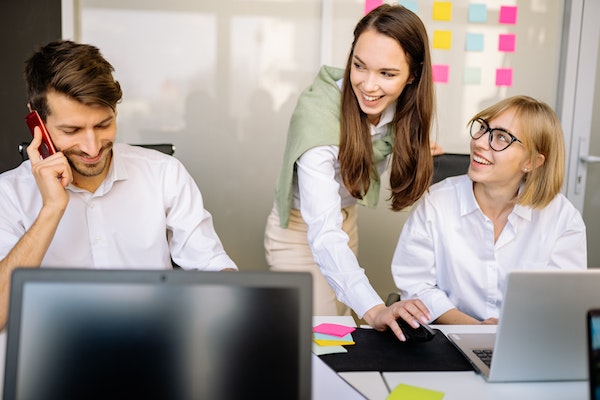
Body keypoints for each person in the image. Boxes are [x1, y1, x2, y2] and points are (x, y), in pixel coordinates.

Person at [0, 40, 237, 328]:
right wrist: (51, 209)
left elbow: (213, 266)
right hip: (53, 351)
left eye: (103, 125)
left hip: (150, 340)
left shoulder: (163, 174)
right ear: (37, 123)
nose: (92, 147)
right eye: (71, 130)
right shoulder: (10, 194)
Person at [264, 4, 434, 341]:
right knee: (327, 342)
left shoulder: (403, 108)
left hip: (346, 225)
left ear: (412, 75)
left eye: (387, 74)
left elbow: (383, 147)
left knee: (342, 328)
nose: (369, 85)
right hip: (301, 233)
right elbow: (324, 233)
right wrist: (374, 310)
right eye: (359, 66)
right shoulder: (318, 116)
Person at [391, 95, 587, 325]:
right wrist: (476, 330)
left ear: (532, 162)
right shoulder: (437, 202)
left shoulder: (562, 218)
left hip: (524, 343)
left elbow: (563, 303)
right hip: (449, 338)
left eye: (502, 137)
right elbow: (417, 286)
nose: (480, 143)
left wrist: (504, 338)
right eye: (483, 128)